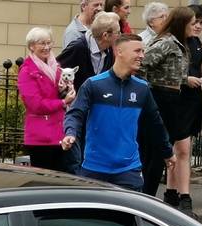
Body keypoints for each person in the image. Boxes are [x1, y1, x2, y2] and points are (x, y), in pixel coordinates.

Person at [62, 33, 174, 191]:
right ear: (119, 51)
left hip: (129, 170)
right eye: (137, 51)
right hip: (95, 169)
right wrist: (70, 133)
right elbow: (75, 113)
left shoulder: (142, 88)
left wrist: (168, 152)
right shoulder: (94, 85)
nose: (142, 56)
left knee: (129, 216)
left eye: (143, 51)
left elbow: (156, 123)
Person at [139, 6, 193, 197]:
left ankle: (148, 197)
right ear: (182, 23)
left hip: (172, 99)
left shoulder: (178, 42)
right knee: (155, 154)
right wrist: (146, 91)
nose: (195, 26)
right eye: (192, 23)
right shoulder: (166, 42)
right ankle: (146, 197)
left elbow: (173, 72)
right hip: (160, 98)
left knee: (163, 152)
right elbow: (141, 64)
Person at [162, 1, 202, 212]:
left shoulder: (196, 43)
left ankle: (174, 192)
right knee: (179, 149)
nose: (198, 26)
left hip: (192, 101)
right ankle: (182, 196)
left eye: (201, 22)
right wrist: (185, 78)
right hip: (174, 101)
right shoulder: (170, 42)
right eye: (195, 22)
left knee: (182, 149)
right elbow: (160, 71)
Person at [18, 27, 76, 171]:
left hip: (59, 133)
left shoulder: (56, 66)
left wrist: (64, 90)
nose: (47, 47)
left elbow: (54, 93)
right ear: (31, 46)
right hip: (40, 138)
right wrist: (63, 102)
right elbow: (35, 105)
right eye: (42, 43)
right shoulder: (27, 71)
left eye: (49, 43)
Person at [58, 11, 118, 93]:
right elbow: (55, 69)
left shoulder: (108, 49)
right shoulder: (78, 48)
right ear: (105, 36)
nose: (120, 35)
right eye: (117, 32)